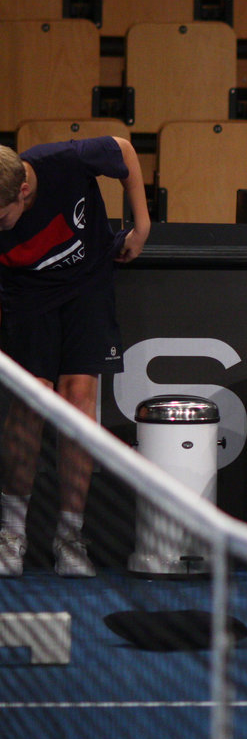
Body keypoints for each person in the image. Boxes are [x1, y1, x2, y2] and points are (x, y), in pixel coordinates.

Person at [0, 136, 150, 577]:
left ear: (23, 190)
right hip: (26, 297)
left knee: (78, 400)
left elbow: (124, 149)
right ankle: (11, 532)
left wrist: (141, 225)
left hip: (87, 287)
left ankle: (70, 536)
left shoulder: (64, 161)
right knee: (31, 403)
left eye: (1, 216)